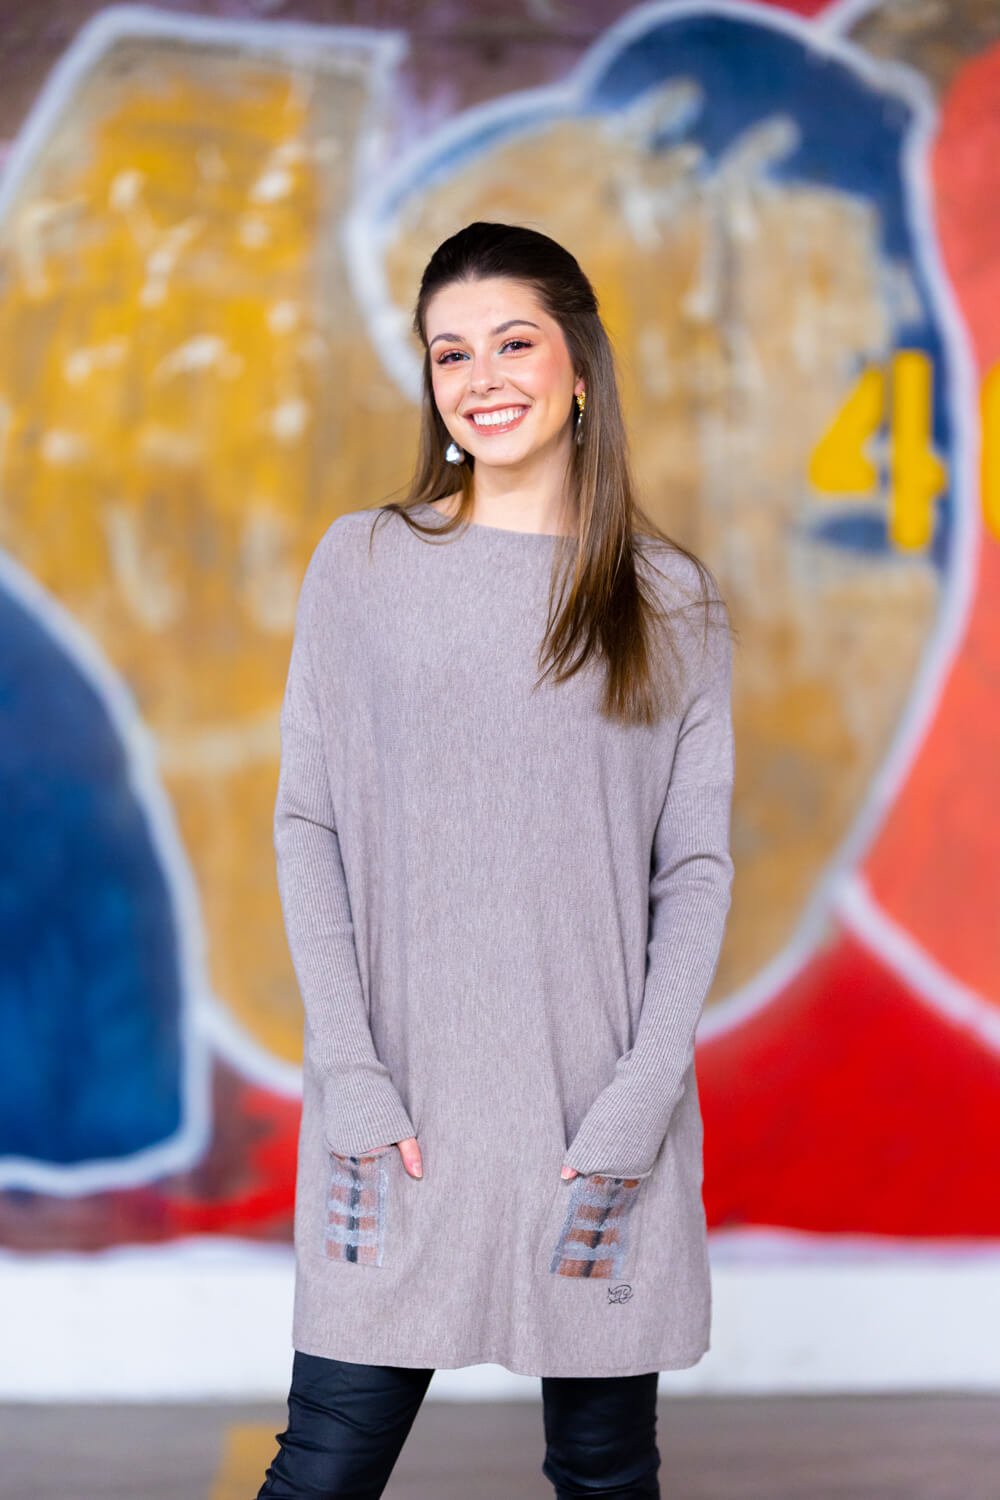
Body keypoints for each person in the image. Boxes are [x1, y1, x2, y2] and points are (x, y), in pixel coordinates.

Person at [257, 221, 736, 1499]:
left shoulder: (669, 599)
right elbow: (309, 825)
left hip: (593, 1119)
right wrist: (351, 1078)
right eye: (449, 352)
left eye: (513, 343)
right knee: (323, 1469)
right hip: (396, 1118)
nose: (481, 378)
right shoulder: (363, 565)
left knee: (602, 1473)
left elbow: (692, 870)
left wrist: (640, 1098)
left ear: (578, 365)